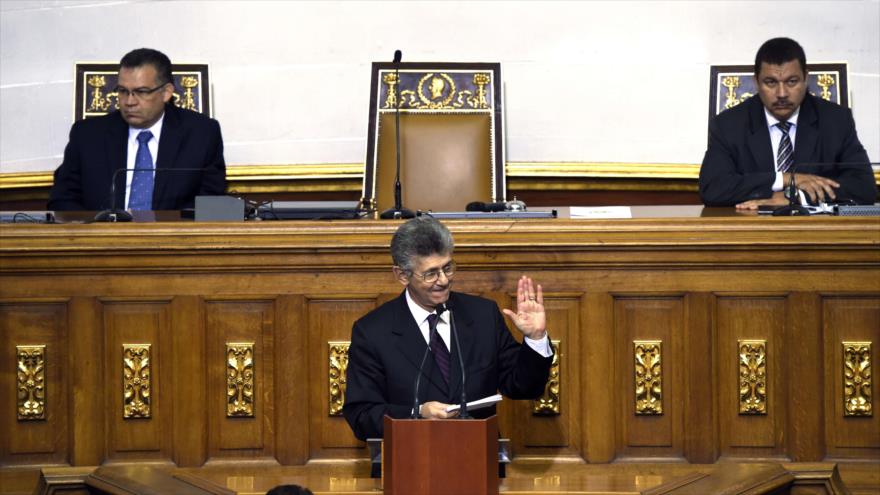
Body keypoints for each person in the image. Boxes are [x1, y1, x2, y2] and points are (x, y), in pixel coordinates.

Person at [343, 216, 554, 441]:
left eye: (448, 268)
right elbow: (361, 416)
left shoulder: (483, 315)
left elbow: (523, 388)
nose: (443, 280)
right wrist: (418, 413)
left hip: (477, 460)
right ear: (402, 275)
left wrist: (536, 338)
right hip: (409, 462)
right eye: (430, 273)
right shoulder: (373, 331)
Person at [699, 37, 876, 208]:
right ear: (756, 82)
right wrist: (786, 179)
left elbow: (864, 187)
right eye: (771, 82)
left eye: (792, 82)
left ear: (806, 78)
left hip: (816, 231)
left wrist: (797, 197)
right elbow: (713, 188)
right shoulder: (729, 124)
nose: (782, 93)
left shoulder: (836, 120)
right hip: (753, 228)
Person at [48, 48, 226, 211]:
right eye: (123, 91)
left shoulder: (201, 134)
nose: (129, 101)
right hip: (103, 240)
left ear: (166, 92)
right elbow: (62, 200)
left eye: (141, 92)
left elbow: (212, 202)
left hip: (174, 241)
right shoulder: (87, 136)